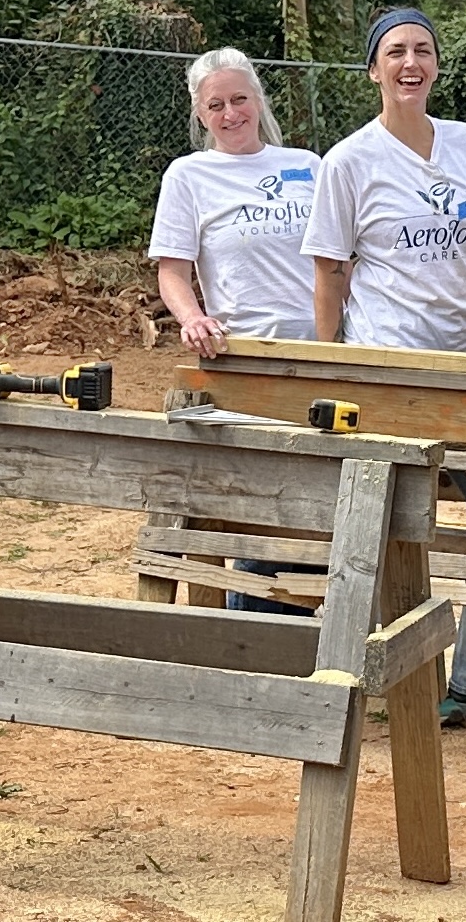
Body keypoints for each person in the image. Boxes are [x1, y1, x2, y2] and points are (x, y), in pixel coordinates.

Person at [303, 7, 466, 725]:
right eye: (395, 52)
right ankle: (400, 677)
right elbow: (330, 271)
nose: (410, 63)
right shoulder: (349, 161)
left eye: (422, 51)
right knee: (390, 527)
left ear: (435, 65)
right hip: (392, 371)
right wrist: (331, 363)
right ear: (373, 69)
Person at [149, 47, 320, 615]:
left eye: (239, 99)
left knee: (317, 504)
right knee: (257, 505)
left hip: (320, 355)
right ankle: (257, 644)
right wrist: (193, 318)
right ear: (201, 115)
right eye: (216, 104)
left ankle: (307, 645)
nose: (230, 113)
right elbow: (171, 269)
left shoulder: (307, 166)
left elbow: (339, 259)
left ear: (258, 100)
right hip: (244, 360)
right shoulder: (190, 175)